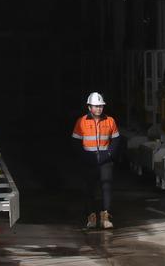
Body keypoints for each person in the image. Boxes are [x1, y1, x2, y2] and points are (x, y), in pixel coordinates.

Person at [71, 91, 120, 230]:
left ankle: (105, 216)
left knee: (106, 187)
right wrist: (84, 156)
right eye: (96, 106)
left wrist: (109, 153)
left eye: (101, 106)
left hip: (105, 159)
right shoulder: (81, 122)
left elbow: (116, 139)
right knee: (89, 189)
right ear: (89, 107)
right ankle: (91, 217)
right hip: (89, 160)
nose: (99, 109)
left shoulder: (110, 121)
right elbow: (75, 142)